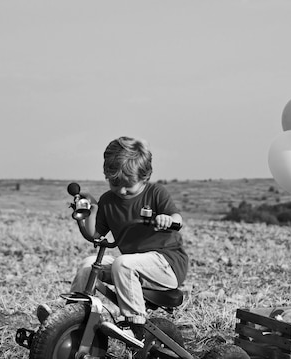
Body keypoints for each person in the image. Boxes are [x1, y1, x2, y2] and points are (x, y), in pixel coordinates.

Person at [38, 137, 188, 342]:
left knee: (122, 263)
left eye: (128, 186)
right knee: (89, 264)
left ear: (145, 177)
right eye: (115, 183)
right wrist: (89, 211)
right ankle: (72, 315)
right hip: (132, 266)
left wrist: (167, 219)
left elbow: (177, 219)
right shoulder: (108, 201)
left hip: (166, 265)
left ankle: (134, 323)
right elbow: (96, 236)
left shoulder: (156, 193)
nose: (121, 190)